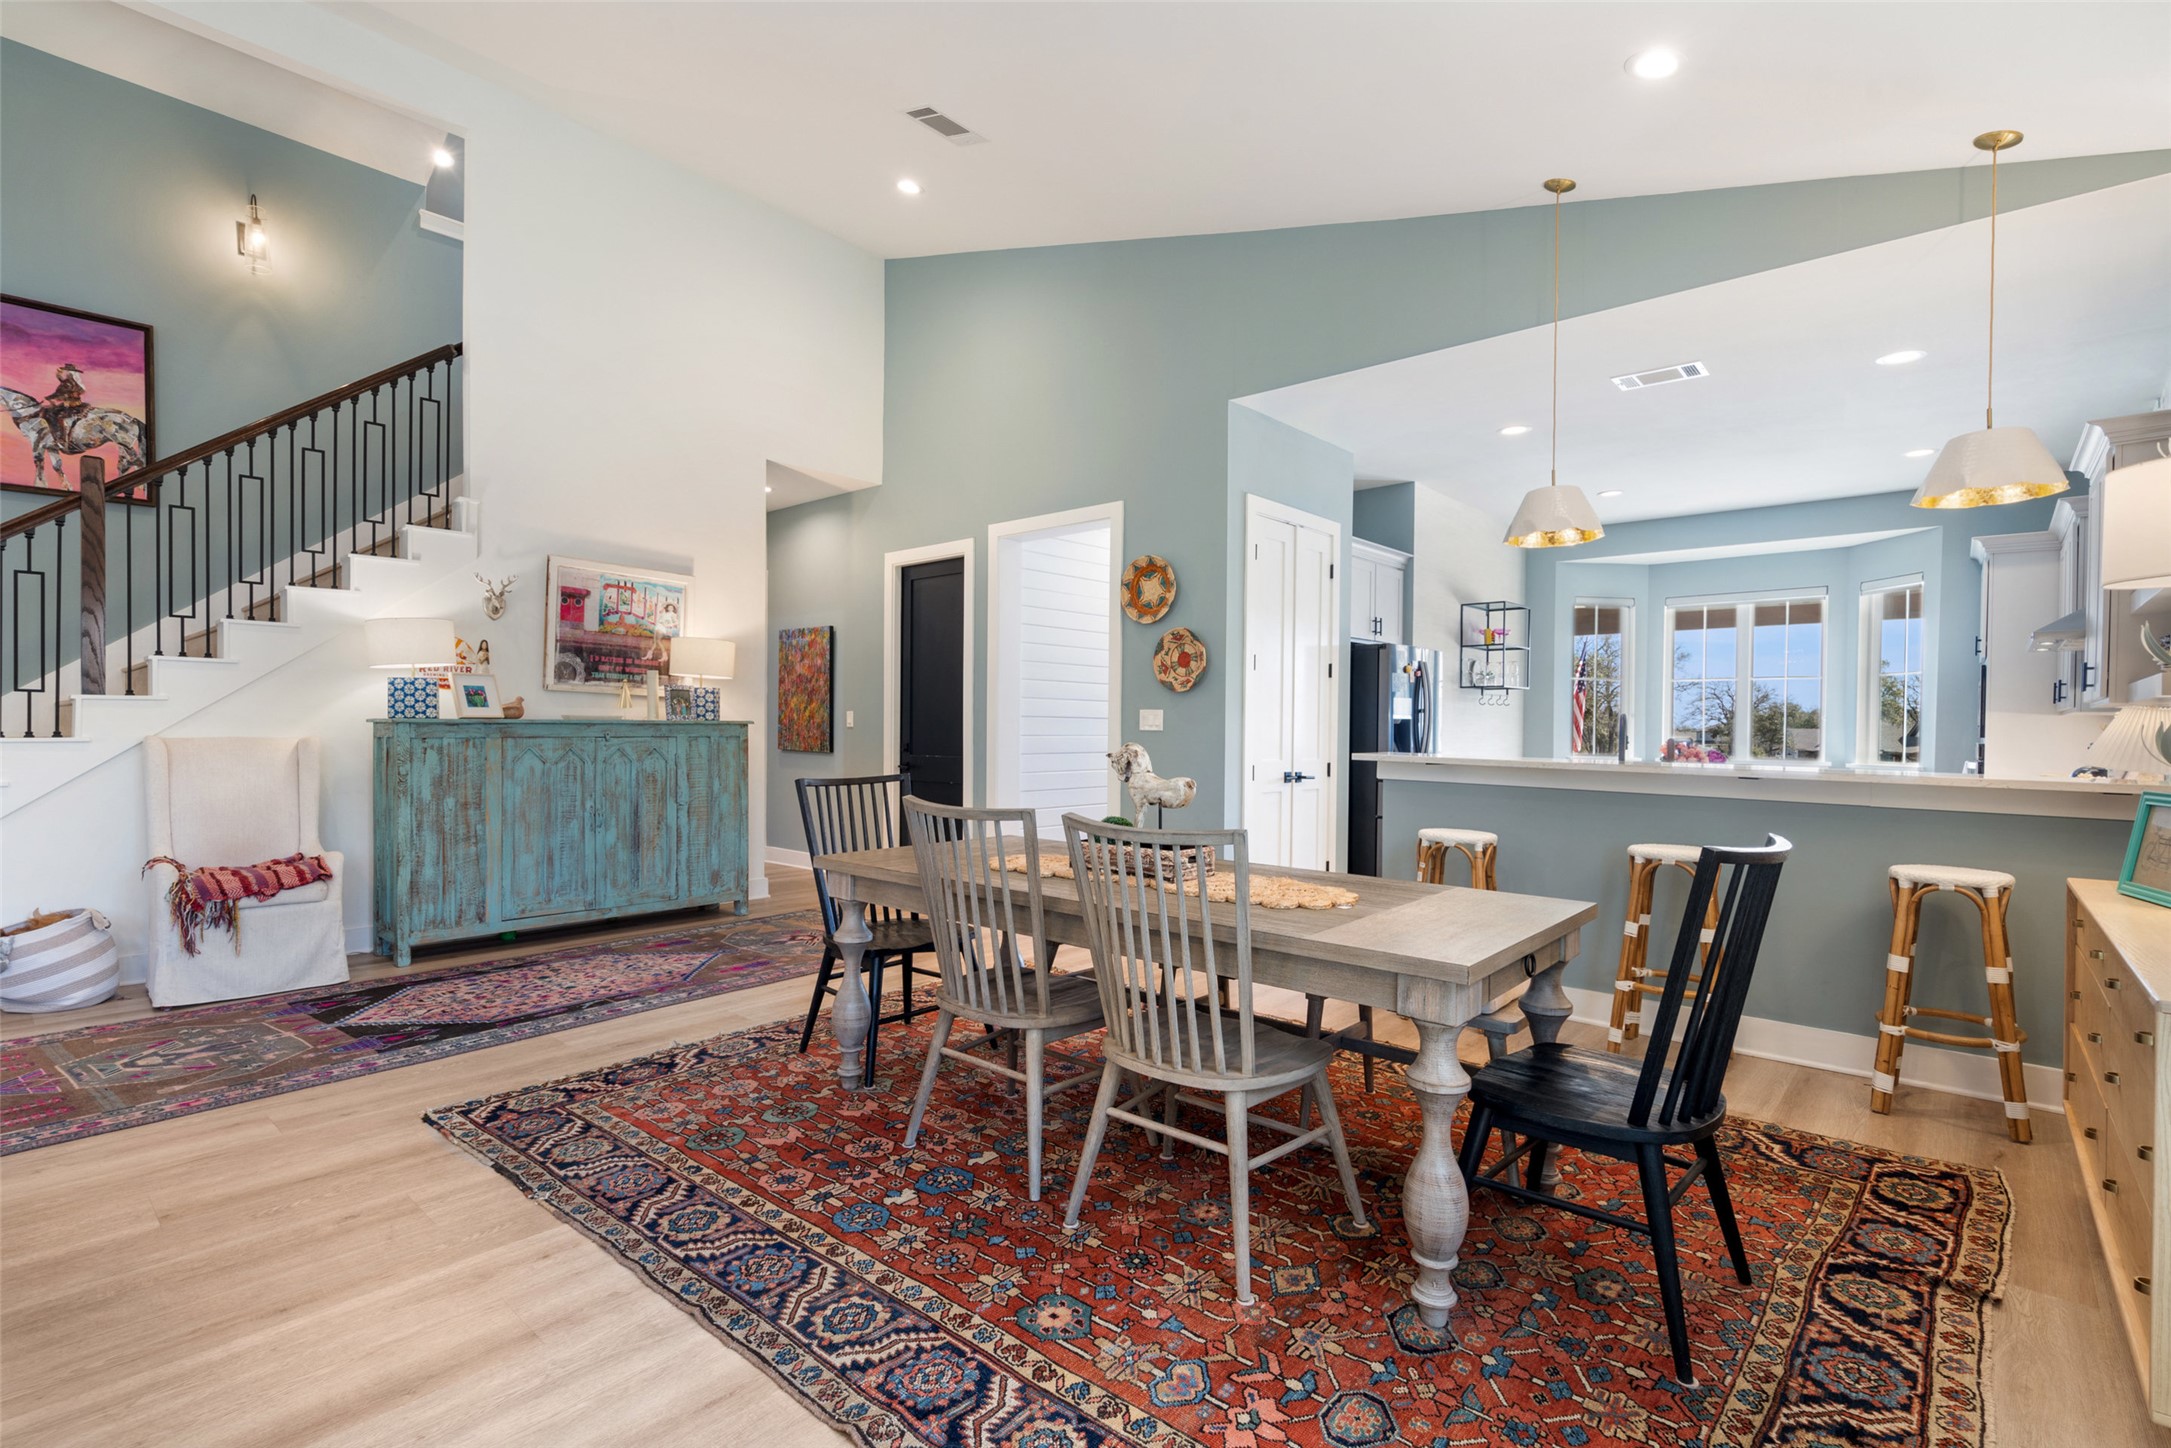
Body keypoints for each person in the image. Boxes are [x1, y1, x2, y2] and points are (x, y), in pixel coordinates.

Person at [39, 363, 88, 449]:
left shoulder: (70, 383)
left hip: (72, 405)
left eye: (67, 372)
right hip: (69, 403)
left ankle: (62, 437)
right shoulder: (69, 382)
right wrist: (58, 374)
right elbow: (61, 381)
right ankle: (54, 433)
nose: (65, 373)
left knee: (59, 417)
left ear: (70, 373)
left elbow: (62, 392)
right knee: (50, 411)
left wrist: (51, 398)